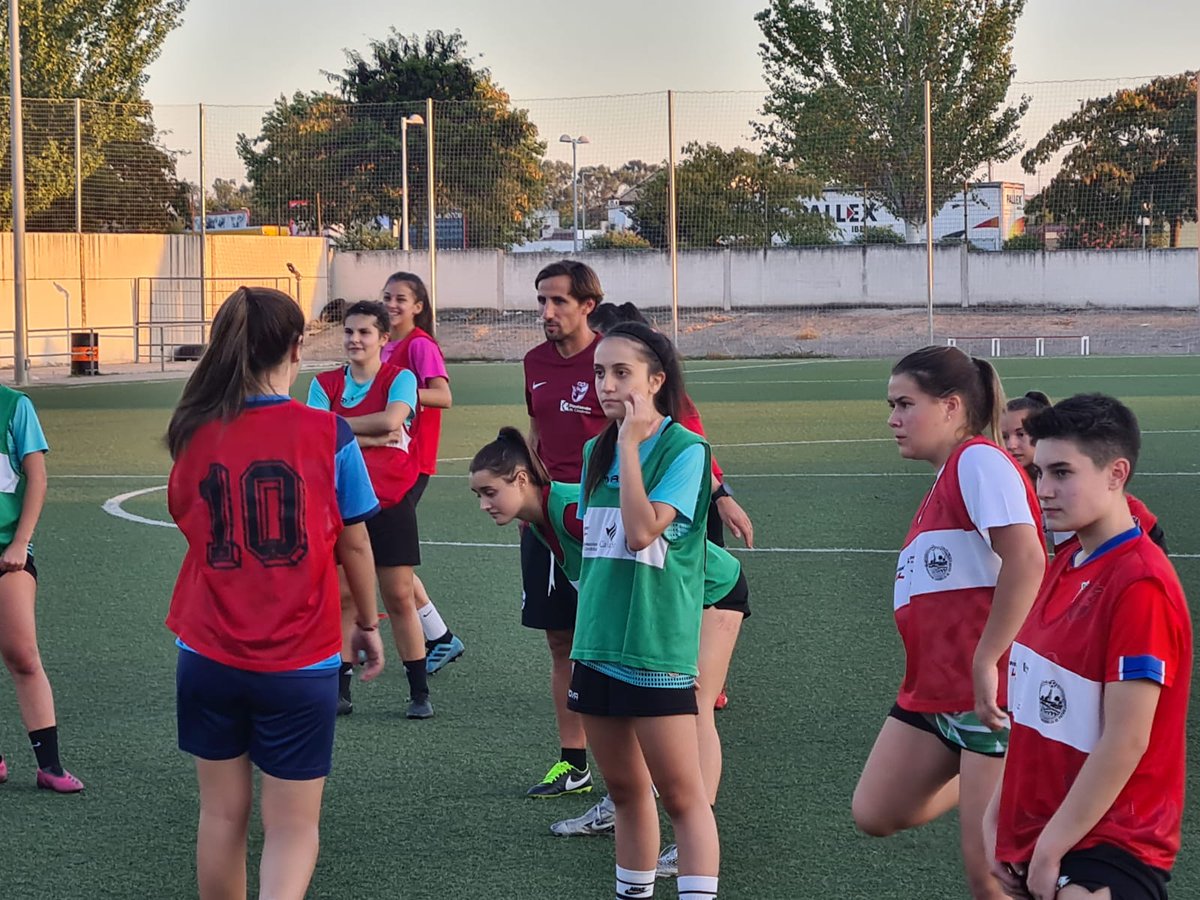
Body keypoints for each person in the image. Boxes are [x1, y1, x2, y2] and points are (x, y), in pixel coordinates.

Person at [165, 287, 385, 899]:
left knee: (220, 817)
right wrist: (368, 622)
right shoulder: (328, 433)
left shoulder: (193, 430)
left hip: (207, 651)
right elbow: (356, 545)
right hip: (299, 657)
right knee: (292, 827)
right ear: (295, 348)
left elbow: (189, 519)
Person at [466, 427, 749, 865]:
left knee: (695, 705)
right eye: (478, 495)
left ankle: (693, 836)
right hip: (666, 600)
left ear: (521, 480)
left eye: (490, 492)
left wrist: (668, 652)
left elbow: (646, 563)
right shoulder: (540, 523)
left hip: (710, 591)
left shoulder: (569, 512)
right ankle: (625, 805)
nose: (484, 505)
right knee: (625, 707)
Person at [852, 345, 1046, 900]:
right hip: (935, 693)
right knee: (876, 810)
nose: (893, 419)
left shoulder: (978, 461)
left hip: (988, 692)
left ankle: (1016, 772)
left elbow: (1027, 559)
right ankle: (1013, 776)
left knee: (989, 878)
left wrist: (986, 659)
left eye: (904, 404)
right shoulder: (947, 477)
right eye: (891, 406)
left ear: (951, 406)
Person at [987, 393, 1192, 900]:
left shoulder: (1140, 585)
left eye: (1062, 473)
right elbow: (1035, 713)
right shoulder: (1067, 562)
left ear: (1116, 474)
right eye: (1040, 473)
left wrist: (1051, 847)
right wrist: (998, 813)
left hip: (1109, 842)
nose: (1043, 489)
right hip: (1048, 829)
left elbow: (1127, 738)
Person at [573, 320, 719, 900]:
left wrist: (630, 447)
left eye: (621, 373)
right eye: (599, 373)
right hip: (596, 644)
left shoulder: (687, 450)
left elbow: (640, 533)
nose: (606, 385)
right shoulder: (594, 450)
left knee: (683, 798)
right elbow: (598, 550)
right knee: (626, 793)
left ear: (656, 380)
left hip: (654, 647)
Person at [309, 300, 434, 719]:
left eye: (364, 332)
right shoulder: (323, 383)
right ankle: (340, 690)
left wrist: (341, 426)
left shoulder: (401, 378)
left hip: (391, 502)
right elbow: (316, 435)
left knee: (399, 595)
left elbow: (391, 421)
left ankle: (419, 691)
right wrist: (373, 436)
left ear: (383, 338)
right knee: (344, 595)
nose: (355, 339)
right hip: (341, 505)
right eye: (349, 331)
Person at [521, 260, 608, 797]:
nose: (547, 312)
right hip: (548, 518)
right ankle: (573, 764)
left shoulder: (611, 360)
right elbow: (536, 432)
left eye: (558, 301)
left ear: (587, 306)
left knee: (612, 643)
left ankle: (638, 768)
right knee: (560, 641)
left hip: (606, 518)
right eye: (542, 301)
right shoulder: (533, 361)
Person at [380, 272, 464, 674]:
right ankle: (440, 637)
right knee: (383, 555)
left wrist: (397, 397)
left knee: (388, 557)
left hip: (410, 464)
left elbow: (443, 395)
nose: (391, 304)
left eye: (400, 298)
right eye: (386, 297)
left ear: (418, 306)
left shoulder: (419, 345)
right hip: (380, 463)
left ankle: (439, 637)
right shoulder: (381, 344)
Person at [0, 384, 83, 792]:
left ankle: (49, 766)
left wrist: (20, 542)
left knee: (23, 655)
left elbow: (37, 479)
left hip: (7, 552)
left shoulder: (15, 406)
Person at [1002, 391, 1168, 553]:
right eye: (1004, 436)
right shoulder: (1014, 481)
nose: (1011, 445)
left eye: (1021, 434)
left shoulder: (1098, 517)